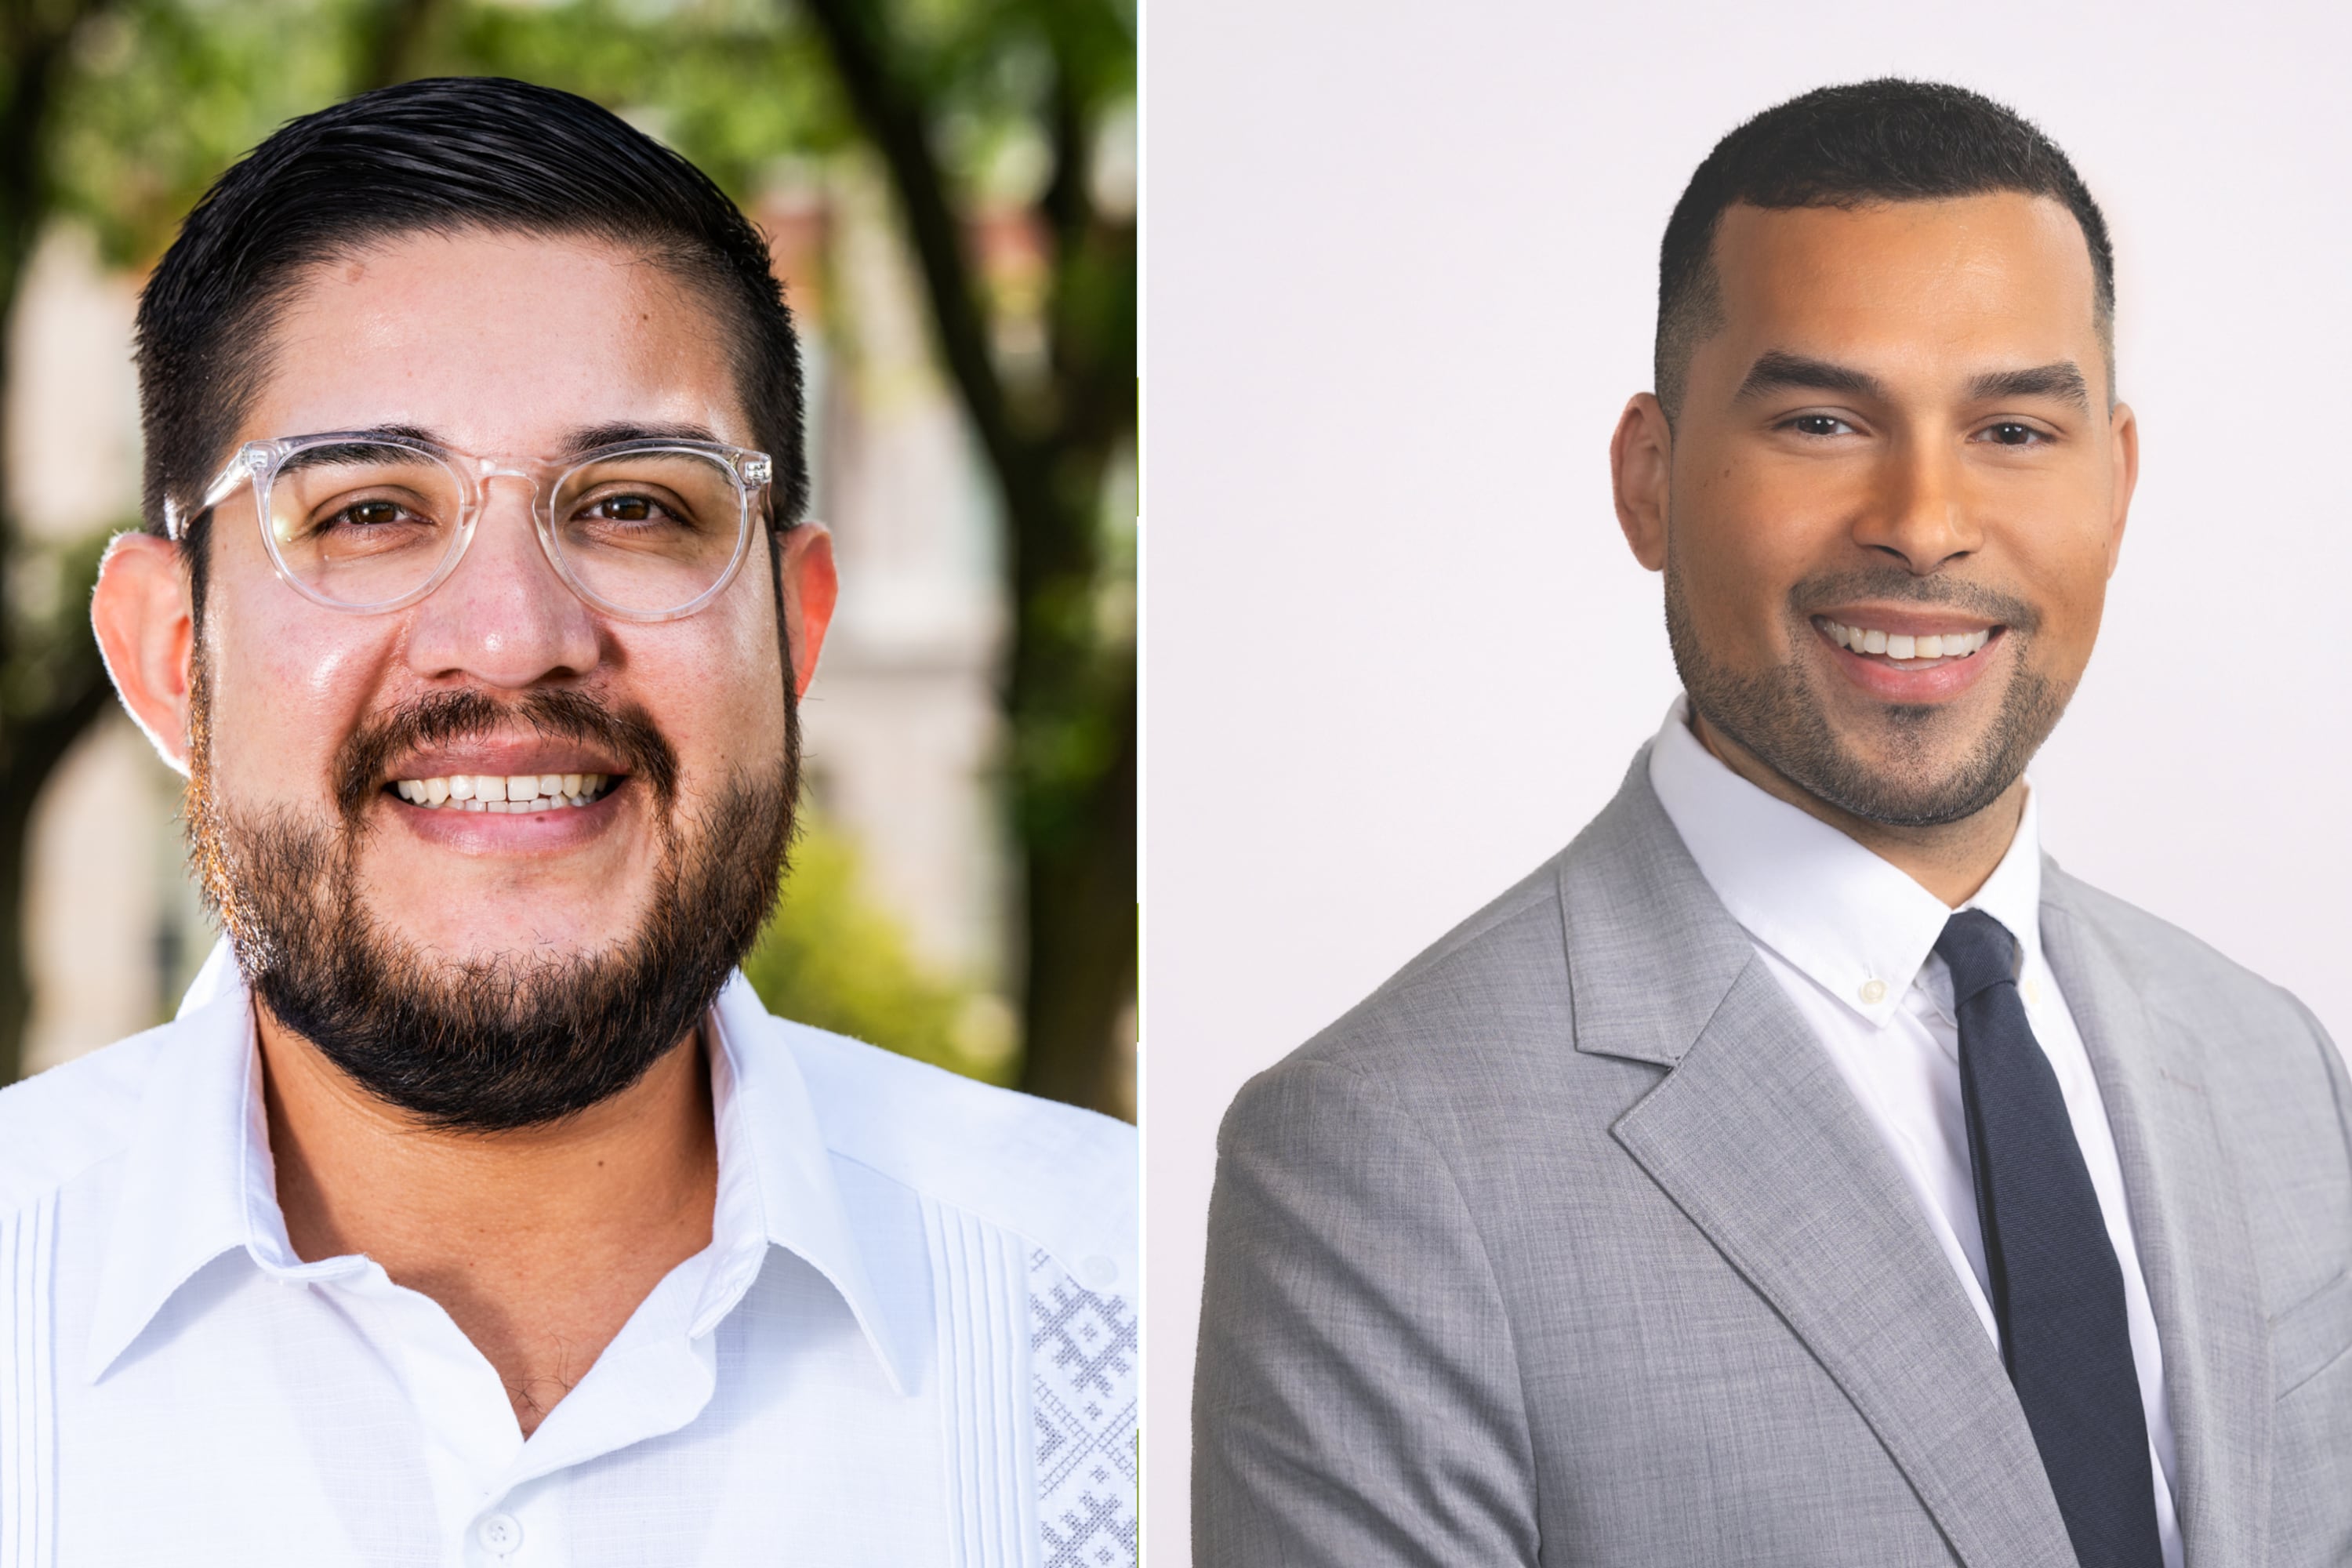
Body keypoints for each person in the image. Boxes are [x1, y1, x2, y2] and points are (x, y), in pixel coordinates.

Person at [1194, 79, 2350, 1567]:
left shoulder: (2278, 1070)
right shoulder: (1379, 1161)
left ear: (2115, 485)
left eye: (2010, 427)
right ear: (1650, 481)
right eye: (1821, 419)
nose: (1923, 520)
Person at [0, 77, 1134, 1565]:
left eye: (634, 507)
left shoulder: (1156, 1308)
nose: (514, 634)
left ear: (794, 638)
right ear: (170, 657)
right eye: (364, 510)